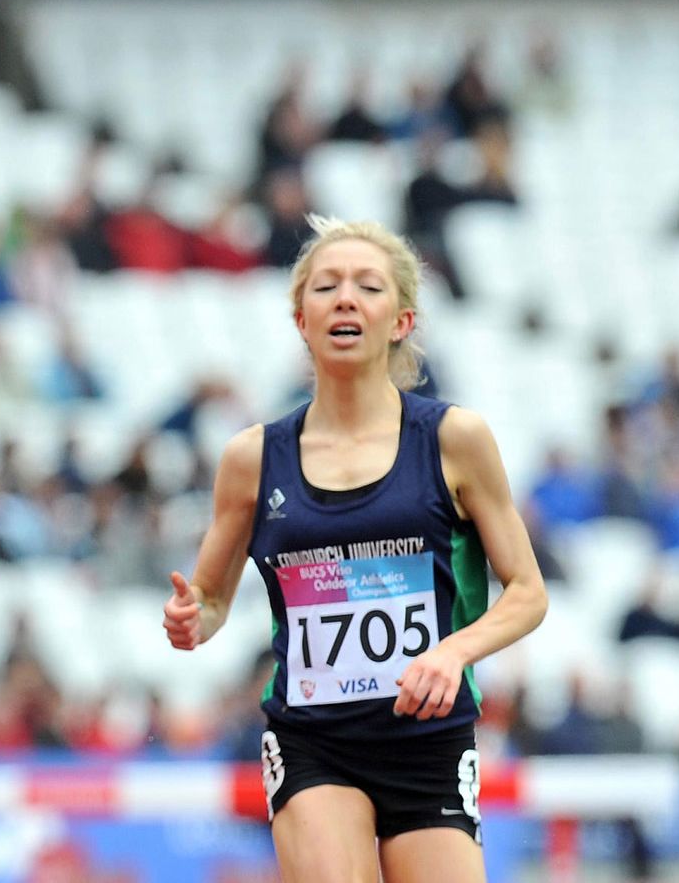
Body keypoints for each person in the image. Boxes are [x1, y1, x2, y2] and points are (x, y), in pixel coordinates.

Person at [161, 216, 547, 883]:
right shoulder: (251, 458)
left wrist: (452, 652)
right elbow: (214, 596)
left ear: (400, 320)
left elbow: (527, 592)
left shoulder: (454, 439)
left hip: (427, 738)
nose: (344, 297)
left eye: (366, 286)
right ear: (298, 318)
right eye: (325, 286)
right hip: (314, 739)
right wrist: (195, 616)